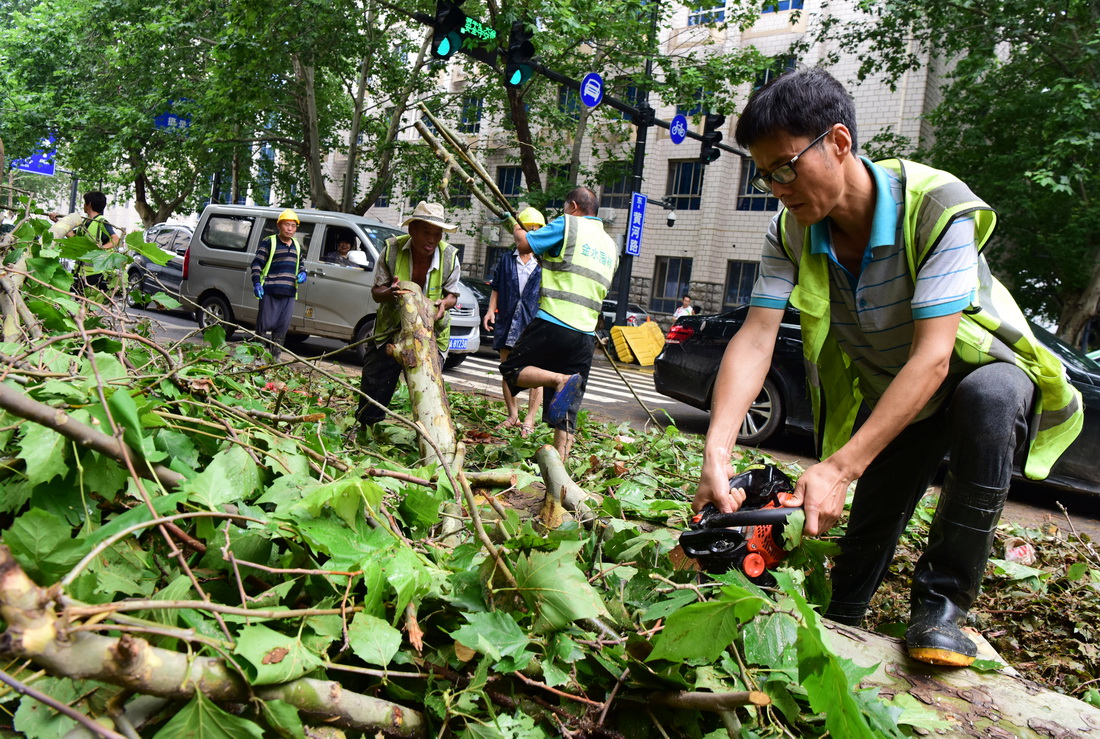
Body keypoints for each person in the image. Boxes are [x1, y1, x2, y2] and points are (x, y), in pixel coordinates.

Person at [694, 68, 1082, 667]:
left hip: (971, 372)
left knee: (990, 396)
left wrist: (840, 468)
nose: (776, 186)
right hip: (900, 395)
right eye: (764, 173)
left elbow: (935, 358)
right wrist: (717, 449)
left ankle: (945, 607)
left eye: (785, 167)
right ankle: (843, 623)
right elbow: (755, 337)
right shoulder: (790, 232)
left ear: (839, 143)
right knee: (853, 567)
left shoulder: (935, 205)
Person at [499, 187, 619, 460]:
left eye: (565, 209)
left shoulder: (568, 224)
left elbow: (525, 245)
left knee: (512, 369)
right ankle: (560, 474)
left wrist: (513, 226)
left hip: (554, 320)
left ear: (574, 206)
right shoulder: (611, 247)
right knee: (566, 415)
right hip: (585, 335)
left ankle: (558, 379)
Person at [356, 201, 461, 429]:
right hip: (391, 330)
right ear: (412, 229)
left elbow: (452, 295)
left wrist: (444, 303)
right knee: (375, 382)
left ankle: (429, 436)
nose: (432, 239)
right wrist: (390, 292)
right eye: (426, 232)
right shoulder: (392, 250)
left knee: (428, 390)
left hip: (431, 333)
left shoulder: (450, 256)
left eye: (437, 233)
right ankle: (365, 428)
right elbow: (376, 292)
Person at [485, 207, 545, 437]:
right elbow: (496, 287)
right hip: (508, 320)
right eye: (519, 230)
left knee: (536, 373)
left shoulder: (542, 262)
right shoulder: (506, 259)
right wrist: (491, 311)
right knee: (507, 369)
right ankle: (513, 416)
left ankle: (530, 419)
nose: (522, 235)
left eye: (528, 231)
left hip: (533, 323)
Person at [250, 208, 307, 362]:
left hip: (289, 292)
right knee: (263, 326)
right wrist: (256, 283)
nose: (290, 228)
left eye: (293, 226)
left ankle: (276, 358)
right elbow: (256, 263)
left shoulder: (296, 245)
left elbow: (301, 264)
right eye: (286, 224)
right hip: (270, 290)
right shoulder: (270, 242)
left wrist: (303, 273)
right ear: (279, 226)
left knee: (282, 327)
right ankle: (259, 357)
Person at [49, 191, 121, 290]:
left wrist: (101, 248)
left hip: (95, 274)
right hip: (81, 272)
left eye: (84, 202)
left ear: (89, 204)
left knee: (88, 303)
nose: (83, 205)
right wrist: (58, 221)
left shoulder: (101, 222)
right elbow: (74, 238)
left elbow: (116, 239)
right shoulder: (84, 223)